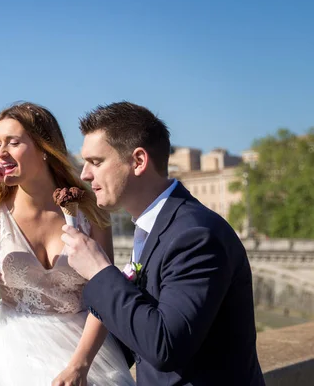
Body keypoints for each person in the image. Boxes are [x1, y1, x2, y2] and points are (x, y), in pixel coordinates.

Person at [61, 101, 266, 385]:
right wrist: (77, 362)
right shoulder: (154, 227)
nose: (85, 174)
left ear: (139, 161)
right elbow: (139, 328)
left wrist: (98, 271)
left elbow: (165, 346)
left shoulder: (195, 235)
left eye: (96, 162)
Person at [0, 102, 135, 386]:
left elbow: (104, 297)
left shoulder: (89, 211)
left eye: (13, 142)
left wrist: (80, 365)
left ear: (44, 148)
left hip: (85, 353)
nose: (1, 153)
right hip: (14, 354)